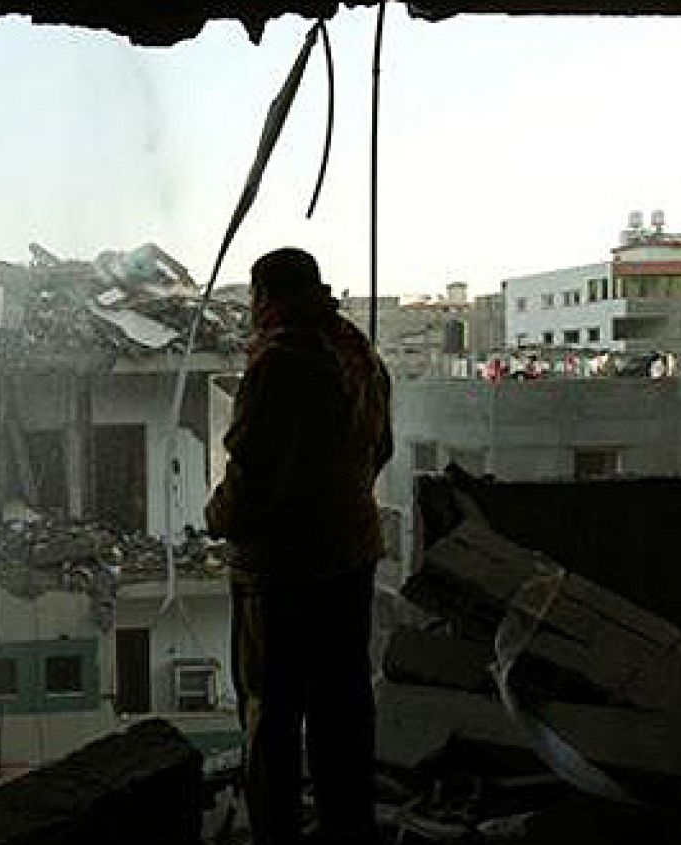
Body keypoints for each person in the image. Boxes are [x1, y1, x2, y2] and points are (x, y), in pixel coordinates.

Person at [206, 248, 393, 845]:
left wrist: (219, 517)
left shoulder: (279, 363)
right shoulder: (357, 353)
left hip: (280, 571)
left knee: (271, 716)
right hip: (350, 555)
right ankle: (348, 824)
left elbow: (253, 472)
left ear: (267, 297)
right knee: (343, 704)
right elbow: (381, 448)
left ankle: (276, 831)